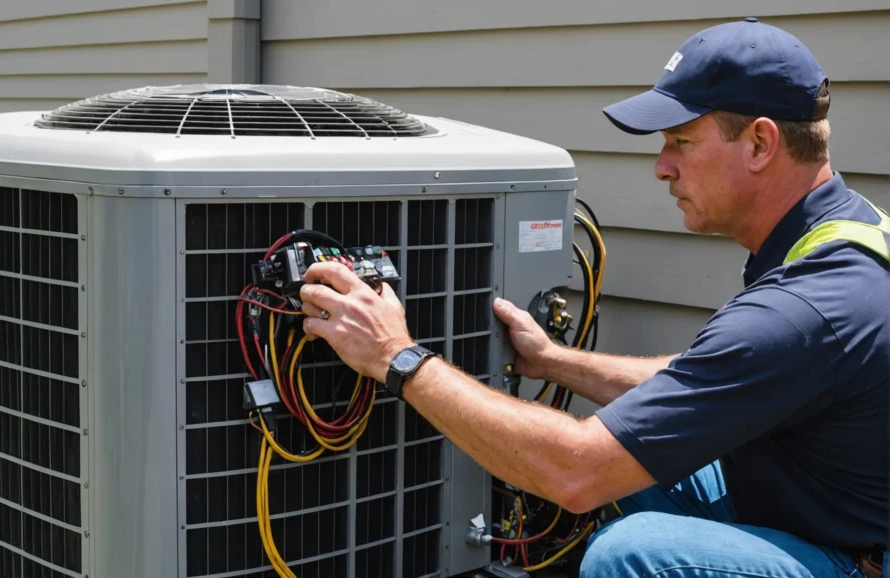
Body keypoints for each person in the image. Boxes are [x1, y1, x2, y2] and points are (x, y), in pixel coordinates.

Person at [297, 18, 889, 578]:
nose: (662, 167)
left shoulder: (804, 306)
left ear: (760, 144)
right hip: (827, 504)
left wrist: (395, 356)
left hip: (857, 556)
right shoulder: (841, 233)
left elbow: (575, 472)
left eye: (681, 141)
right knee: (639, 455)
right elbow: (717, 377)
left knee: (632, 555)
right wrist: (553, 362)